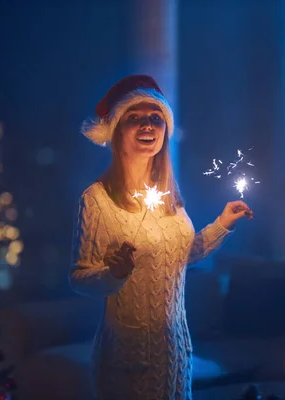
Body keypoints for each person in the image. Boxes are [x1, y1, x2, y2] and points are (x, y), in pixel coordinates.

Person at [69, 75, 253, 400]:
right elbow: (79, 277)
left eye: (156, 118)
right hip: (127, 360)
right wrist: (113, 274)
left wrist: (223, 223)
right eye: (135, 118)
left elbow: (181, 254)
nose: (148, 126)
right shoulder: (97, 200)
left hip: (175, 355)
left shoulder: (167, 195)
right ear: (115, 131)